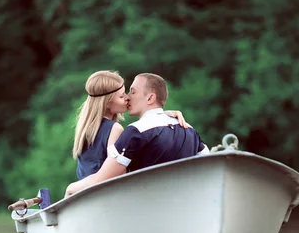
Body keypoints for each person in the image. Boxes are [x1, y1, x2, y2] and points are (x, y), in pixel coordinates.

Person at [65, 72, 209, 197]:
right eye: (124, 94)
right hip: (182, 201)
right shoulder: (188, 129)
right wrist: (164, 115)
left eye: (132, 92)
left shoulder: (134, 132)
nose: (128, 97)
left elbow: (103, 178)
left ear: (150, 98)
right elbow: (208, 162)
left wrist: (70, 188)